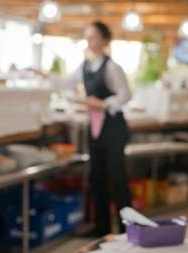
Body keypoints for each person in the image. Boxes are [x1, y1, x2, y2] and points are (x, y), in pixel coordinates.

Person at [51, 21, 133, 236]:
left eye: (93, 36)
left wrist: (103, 104)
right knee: (97, 178)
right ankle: (102, 228)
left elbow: (125, 95)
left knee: (118, 179)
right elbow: (66, 83)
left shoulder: (112, 67)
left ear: (104, 40)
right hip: (95, 128)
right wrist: (44, 77)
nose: (89, 41)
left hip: (113, 128)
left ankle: (127, 229)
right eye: (87, 37)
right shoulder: (84, 67)